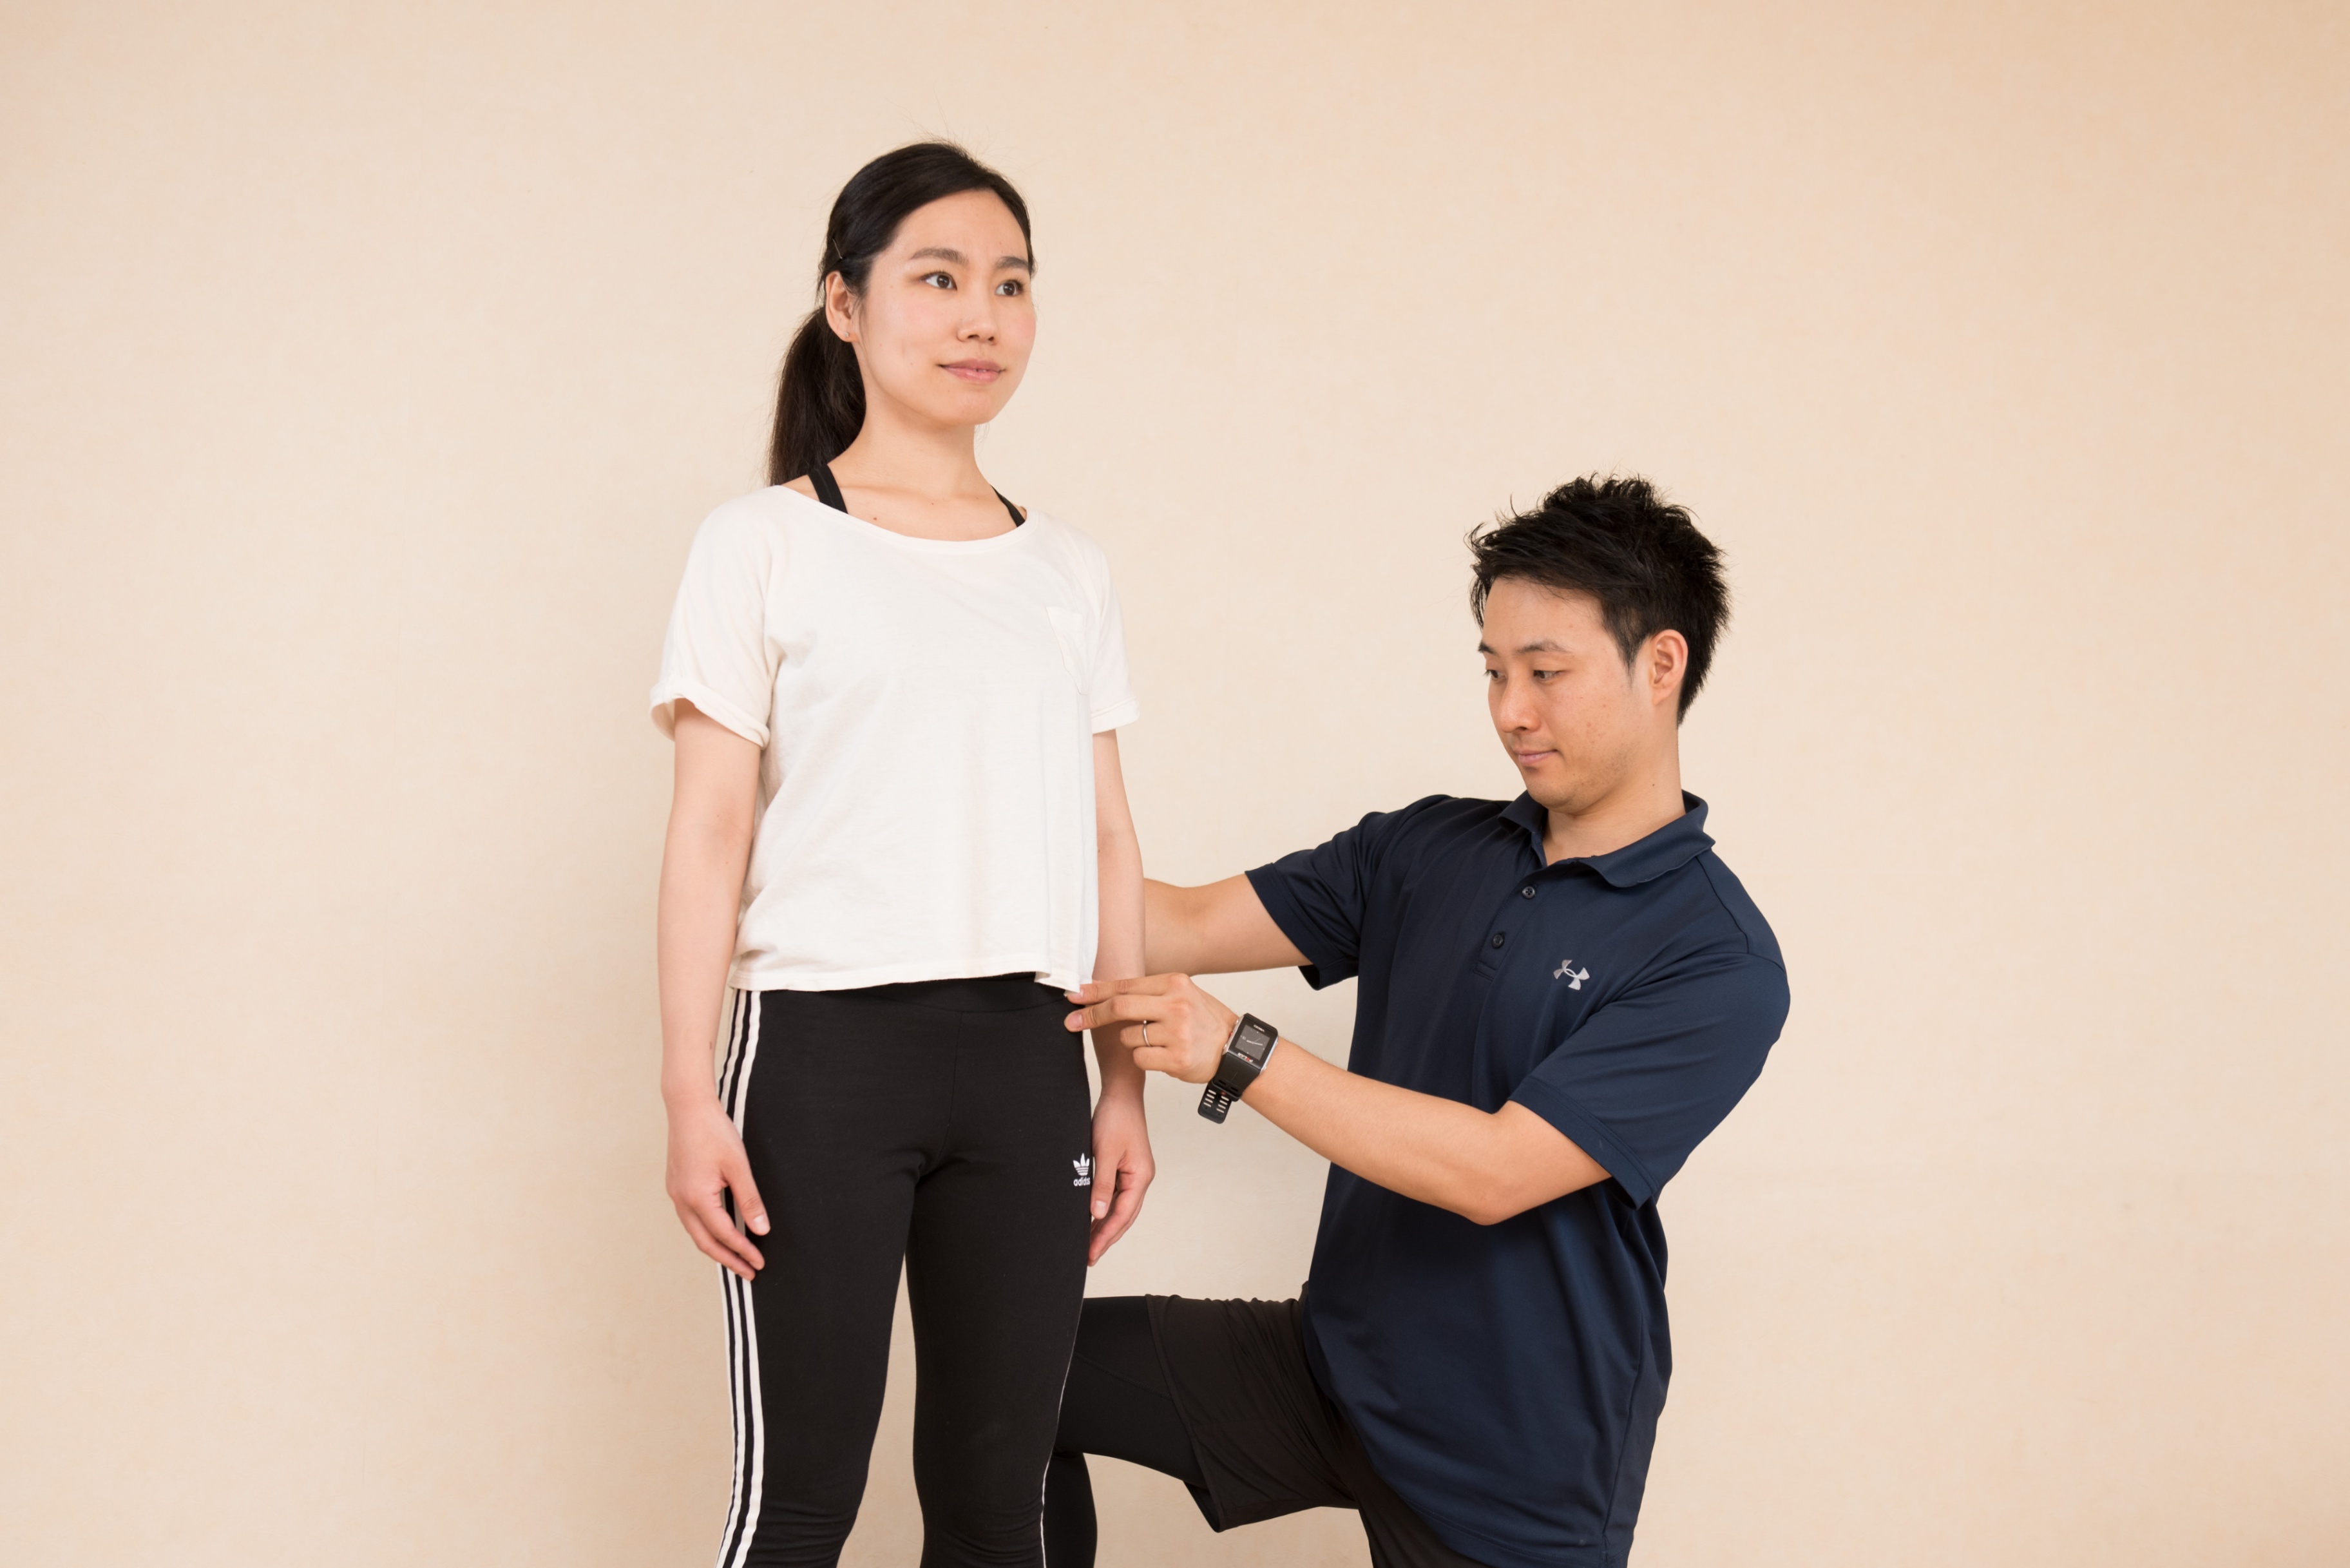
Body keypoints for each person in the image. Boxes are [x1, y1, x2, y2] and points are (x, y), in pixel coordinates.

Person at [1046, 476, 1790, 1568]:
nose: (1510, 711)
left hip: (1516, 1461)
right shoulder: (1428, 849)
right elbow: (1178, 921)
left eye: (1545, 672)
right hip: (1334, 1365)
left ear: (1662, 664)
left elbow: (1495, 1171)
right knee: (1020, 1375)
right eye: (1494, 671)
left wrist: (1240, 1051)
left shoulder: (1716, 957)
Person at [649, 142, 1153, 1568]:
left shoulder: (1067, 570)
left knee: (1000, 1514)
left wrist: (1124, 1082)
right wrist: (690, 1091)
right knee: (799, 1504)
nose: (981, 315)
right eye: (938, 278)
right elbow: (708, 831)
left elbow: (1108, 837)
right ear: (845, 304)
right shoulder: (762, 543)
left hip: (1030, 1062)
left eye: (1011, 283)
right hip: (822, 1058)